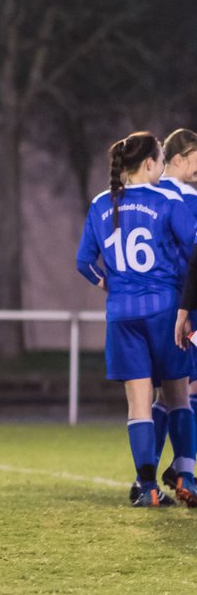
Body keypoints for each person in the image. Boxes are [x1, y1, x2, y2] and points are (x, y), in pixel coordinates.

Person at [77, 131, 196, 507]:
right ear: (150, 163)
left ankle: (146, 487)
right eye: (161, 159)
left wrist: (106, 283)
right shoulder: (168, 198)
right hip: (165, 310)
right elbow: (195, 250)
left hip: (121, 315)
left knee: (139, 403)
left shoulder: (100, 203)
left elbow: (83, 262)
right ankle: (188, 477)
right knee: (178, 396)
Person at [149, 129, 197, 498]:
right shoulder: (180, 196)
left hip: (155, 303)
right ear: (178, 158)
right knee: (182, 390)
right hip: (183, 303)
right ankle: (183, 470)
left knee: (170, 392)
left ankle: (155, 470)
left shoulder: (146, 194)